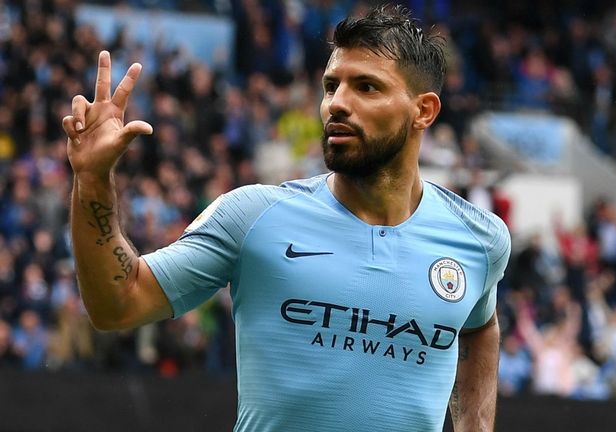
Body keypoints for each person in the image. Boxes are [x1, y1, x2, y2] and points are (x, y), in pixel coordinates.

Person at [61, 6, 510, 432]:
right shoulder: (254, 216)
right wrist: (93, 180)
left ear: (424, 111)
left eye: (367, 87)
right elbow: (116, 304)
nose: (337, 103)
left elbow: (480, 326)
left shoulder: (478, 239)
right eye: (331, 85)